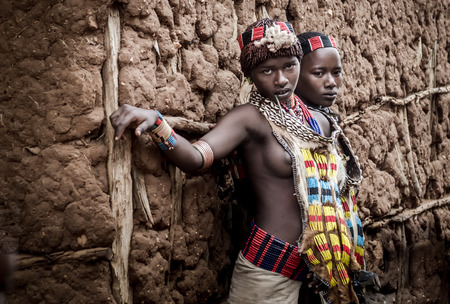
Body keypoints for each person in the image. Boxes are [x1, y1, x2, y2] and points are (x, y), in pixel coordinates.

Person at [110, 19, 363, 303]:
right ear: (251, 75)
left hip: (323, 266)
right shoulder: (249, 119)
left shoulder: (319, 122)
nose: (281, 79)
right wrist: (157, 124)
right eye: (267, 71)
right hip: (270, 267)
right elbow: (196, 158)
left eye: (289, 66)